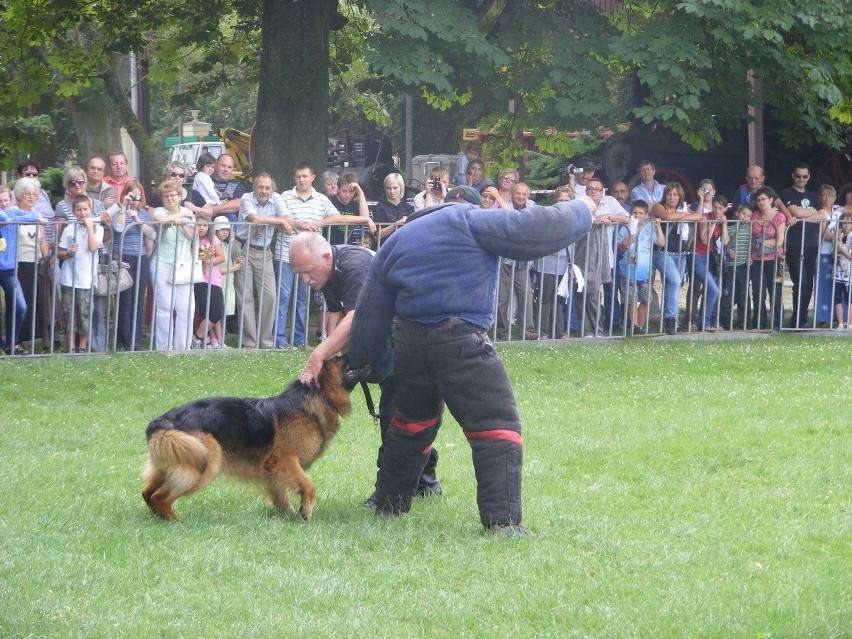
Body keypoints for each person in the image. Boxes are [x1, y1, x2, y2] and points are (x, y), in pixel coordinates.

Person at [347, 195, 595, 535]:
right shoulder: (469, 219)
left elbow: (369, 311)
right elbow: (536, 229)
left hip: (409, 344)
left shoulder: (398, 239)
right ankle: (502, 523)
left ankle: (389, 504)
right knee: (495, 423)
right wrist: (582, 210)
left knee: (410, 426)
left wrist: (366, 362)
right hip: (458, 339)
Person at [289, 233, 442, 508]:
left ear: (326, 258)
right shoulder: (327, 273)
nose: (305, 280)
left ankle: (389, 492)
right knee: (406, 413)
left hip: (411, 340)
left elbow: (357, 316)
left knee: (394, 418)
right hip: (393, 341)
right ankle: (425, 482)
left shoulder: (354, 265)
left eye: (308, 271)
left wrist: (320, 353)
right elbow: (340, 320)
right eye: (299, 273)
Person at [276, 163, 374, 349]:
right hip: (286, 255)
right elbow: (283, 219)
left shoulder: (321, 199)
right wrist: (301, 225)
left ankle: (299, 339)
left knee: (303, 299)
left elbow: (336, 217)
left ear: (312, 177)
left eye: (305, 176)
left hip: (313, 259)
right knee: (284, 296)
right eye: (298, 176)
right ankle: (280, 340)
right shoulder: (285, 196)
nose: (301, 180)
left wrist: (318, 222)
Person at [235, 173, 292, 349]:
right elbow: (254, 218)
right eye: (260, 187)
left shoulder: (277, 198)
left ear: (272, 189)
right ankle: (249, 342)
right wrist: (276, 221)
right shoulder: (246, 198)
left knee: (270, 296)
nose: (264, 191)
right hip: (243, 248)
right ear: (255, 188)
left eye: (267, 188)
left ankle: (266, 341)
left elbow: (288, 219)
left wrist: (265, 223)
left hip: (264, 252)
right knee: (245, 296)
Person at [573, 177, 630, 337]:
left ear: (602, 191)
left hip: (604, 257)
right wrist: (595, 220)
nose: (593, 192)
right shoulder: (580, 202)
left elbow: (627, 218)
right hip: (582, 255)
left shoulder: (610, 201)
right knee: (582, 293)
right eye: (590, 189)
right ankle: (587, 330)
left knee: (594, 294)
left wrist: (610, 217)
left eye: (597, 189)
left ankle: (596, 329)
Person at [149, 179, 197, 350]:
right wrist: (181, 217)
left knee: (186, 308)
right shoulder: (159, 211)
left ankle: (183, 347)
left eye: (172, 195)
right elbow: (161, 221)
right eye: (165, 196)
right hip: (162, 262)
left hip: (183, 264)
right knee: (165, 306)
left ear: (179, 197)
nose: (169, 199)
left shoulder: (186, 211)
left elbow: (192, 236)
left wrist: (182, 222)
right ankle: (164, 347)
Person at [108, 180, 156, 350]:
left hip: (141, 258)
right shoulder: (118, 211)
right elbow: (118, 228)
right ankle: (123, 338)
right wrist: (124, 207)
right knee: (126, 299)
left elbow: (153, 235)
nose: (135, 199)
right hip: (124, 258)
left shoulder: (144, 214)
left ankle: (135, 341)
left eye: (138, 196)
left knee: (137, 299)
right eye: (132, 195)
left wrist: (137, 220)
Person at [0, 183, 47, 355]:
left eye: (6, 200)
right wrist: (10, 220)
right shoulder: (6, 215)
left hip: (10, 269)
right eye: (0, 201)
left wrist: (31, 219)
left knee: (21, 306)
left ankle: (12, 343)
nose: (3, 203)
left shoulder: (12, 212)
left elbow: (30, 216)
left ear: (10, 200)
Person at [651, 182, 703, 334]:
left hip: (681, 253)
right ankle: (670, 319)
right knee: (674, 280)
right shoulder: (658, 207)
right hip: (662, 252)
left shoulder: (682, 208)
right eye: (669, 194)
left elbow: (699, 215)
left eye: (675, 194)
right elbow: (667, 216)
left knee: (674, 285)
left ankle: (670, 321)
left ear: (680, 196)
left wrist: (682, 215)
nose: (671, 197)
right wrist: (686, 215)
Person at [56, 195, 103, 353]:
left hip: (86, 278)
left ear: (91, 210)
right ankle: (70, 345)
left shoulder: (99, 228)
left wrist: (90, 227)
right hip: (69, 277)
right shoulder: (69, 228)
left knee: (84, 313)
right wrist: (69, 252)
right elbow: (60, 252)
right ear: (73, 211)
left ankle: (82, 346)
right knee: (69, 312)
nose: (82, 213)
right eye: (79, 210)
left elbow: (92, 247)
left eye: (85, 209)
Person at [780, 162, 824, 328]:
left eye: (805, 176)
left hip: (811, 243)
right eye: (798, 176)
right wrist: (811, 213)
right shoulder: (786, 193)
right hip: (794, 243)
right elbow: (795, 212)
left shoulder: (813, 196)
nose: (801, 179)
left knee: (808, 284)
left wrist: (804, 215)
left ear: (809, 177)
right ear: (793, 176)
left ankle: (801, 318)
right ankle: (797, 319)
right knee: (800, 281)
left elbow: (823, 215)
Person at [616, 200, 665, 334]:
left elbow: (661, 242)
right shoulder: (625, 228)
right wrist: (625, 242)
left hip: (645, 272)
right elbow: (619, 249)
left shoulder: (649, 227)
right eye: (635, 213)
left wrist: (658, 226)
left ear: (646, 214)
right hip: (628, 271)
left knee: (644, 300)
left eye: (641, 213)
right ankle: (634, 326)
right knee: (631, 300)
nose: (637, 216)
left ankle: (640, 326)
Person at [496, 183, 537, 340]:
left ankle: (527, 330)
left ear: (528, 196)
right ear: (513, 194)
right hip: (505, 259)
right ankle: (502, 332)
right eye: (518, 194)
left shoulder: (532, 207)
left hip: (522, 260)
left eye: (524, 194)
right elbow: (512, 219)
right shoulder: (503, 206)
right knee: (502, 298)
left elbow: (524, 222)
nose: (520, 197)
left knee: (526, 295)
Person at [535, 184, 575, 338]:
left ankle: (559, 332)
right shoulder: (549, 215)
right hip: (547, 262)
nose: (563, 202)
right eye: (561, 199)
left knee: (559, 299)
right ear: (555, 200)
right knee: (545, 298)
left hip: (565, 262)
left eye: (567, 200)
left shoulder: (574, 216)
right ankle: (542, 331)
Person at [689, 191, 729, 331]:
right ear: (712, 207)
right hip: (698, 256)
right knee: (713, 290)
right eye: (716, 207)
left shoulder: (722, 219)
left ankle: (702, 322)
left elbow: (725, 241)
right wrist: (713, 224)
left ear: (725, 209)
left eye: (721, 208)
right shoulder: (705, 217)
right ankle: (705, 323)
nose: (718, 211)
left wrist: (723, 224)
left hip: (710, 257)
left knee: (711, 290)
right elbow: (705, 240)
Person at [750, 187, 786, 331]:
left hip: (775, 258)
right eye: (758, 200)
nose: (761, 202)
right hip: (757, 258)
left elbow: (779, 240)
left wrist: (762, 242)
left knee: (775, 292)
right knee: (758, 292)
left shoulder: (779, 217)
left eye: (764, 199)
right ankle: (759, 323)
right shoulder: (754, 216)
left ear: (771, 200)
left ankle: (777, 324)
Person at [816, 183, 849, 326]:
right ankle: (824, 318)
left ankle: (841, 318)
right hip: (824, 253)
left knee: (840, 286)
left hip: (838, 255)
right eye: (824, 194)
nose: (827, 197)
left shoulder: (838, 213)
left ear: (835, 197)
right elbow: (825, 234)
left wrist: (840, 237)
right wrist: (840, 235)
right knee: (824, 286)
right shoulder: (820, 213)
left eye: (830, 195)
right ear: (819, 197)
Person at [191, 214, 226, 349]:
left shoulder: (213, 239)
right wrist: (204, 257)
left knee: (218, 311)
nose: (202, 228)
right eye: (199, 225)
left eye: (205, 225)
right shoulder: (192, 240)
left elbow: (220, 257)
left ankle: (197, 336)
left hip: (214, 279)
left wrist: (208, 259)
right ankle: (204, 340)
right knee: (206, 311)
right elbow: (194, 259)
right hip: (199, 279)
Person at [719, 204, 753, 331]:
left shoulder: (750, 229)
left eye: (749, 216)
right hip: (731, 265)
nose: (745, 217)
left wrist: (749, 255)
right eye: (743, 214)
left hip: (743, 265)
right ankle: (725, 322)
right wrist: (729, 251)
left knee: (743, 294)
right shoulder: (731, 228)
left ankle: (744, 323)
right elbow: (725, 241)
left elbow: (751, 243)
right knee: (728, 293)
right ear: (738, 213)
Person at [190, 154, 247, 222]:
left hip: (227, 223)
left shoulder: (237, 185)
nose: (226, 170)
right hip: (204, 220)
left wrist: (213, 209)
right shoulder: (204, 180)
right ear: (216, 165)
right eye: (223, 166)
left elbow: (238, 204)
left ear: (233, 169)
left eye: (229, 167)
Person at [214, 216, 243, 338]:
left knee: (223, 312)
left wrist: (237, 262)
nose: (225, 232)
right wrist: (232, 269)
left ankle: (219, 338)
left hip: (227, 283)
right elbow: (215, 270)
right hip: (218, 283)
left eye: (227, 229)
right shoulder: (214, 245)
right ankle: (215, 338)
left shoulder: (226, 246)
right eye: (222, 229)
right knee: (216, 312)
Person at [328, 172, 370, 245]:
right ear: (338, 189)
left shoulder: (355, 204)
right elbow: (337, 218)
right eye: (344, 191)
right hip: (329, 244)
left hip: (347, 246)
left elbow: (365, 218)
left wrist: (360, 193)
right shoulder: (329, 201)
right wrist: (366, 219)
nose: (348, 195)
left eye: (351, 191)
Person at [371, 172, 413, 242]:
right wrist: (396, 224)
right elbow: (377, 235)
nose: (392, 191)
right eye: (389, 188)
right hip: (386, 246)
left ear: (401, 188)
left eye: (395, 188)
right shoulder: (379, 207)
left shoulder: (408, 207)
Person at [827, 212, 851, 329]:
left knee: (849, 298)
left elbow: (850, 256)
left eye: (848, 223)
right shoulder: (837, 236)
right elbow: (832, 254)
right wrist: (837, 244)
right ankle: (840, 323)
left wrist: (841, 247)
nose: (846, 225)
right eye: (843, 223)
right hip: (837, 272)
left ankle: (850, 323)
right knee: (837, 297)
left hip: (849, 273)